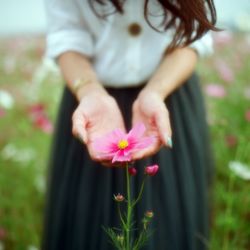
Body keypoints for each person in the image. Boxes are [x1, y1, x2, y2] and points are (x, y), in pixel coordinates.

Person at [42, 0, 217, 249]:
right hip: (91, 102)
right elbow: (66, 35)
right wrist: (89, 90)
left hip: (167, 98)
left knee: (168, 229)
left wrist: (156, 91)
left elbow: (194, 37)